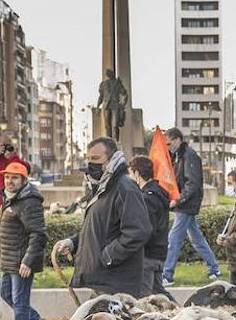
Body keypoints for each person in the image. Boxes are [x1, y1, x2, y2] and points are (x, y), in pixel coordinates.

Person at [53, 137, 150, 296]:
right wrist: (72, 243)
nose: (91, 163)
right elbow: (99, 230)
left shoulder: (125, 187)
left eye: (96, 159)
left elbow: (138, 231)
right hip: (103, 282)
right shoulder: (101, 188)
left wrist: (108, 256)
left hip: (116, 285)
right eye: (89, 159)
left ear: (111, 159)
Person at [0, 161, 45, 320]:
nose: (9, 181)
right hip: (8, 260)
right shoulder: (10, 199)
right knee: (6, 293)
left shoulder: (29, 202)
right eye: (7, 177)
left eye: (14, 178)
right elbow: (5, 228)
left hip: (21, 262)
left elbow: (39, 234)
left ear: (23, 180)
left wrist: (27, 262)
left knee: (19, 301)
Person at [162, 127, 220, 285]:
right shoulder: (182, 155)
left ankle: (167, 275)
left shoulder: (189, 156)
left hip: (186, 204)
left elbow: (192, 184)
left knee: (173, 238)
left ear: (177, 140)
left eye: (168, 144)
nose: (167, 147)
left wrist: (178, 200)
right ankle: (214, 269)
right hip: (186, 203)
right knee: (196, 239)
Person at [129, 155, 172, 296]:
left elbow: (146, 228)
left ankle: (183, 313)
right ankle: (180, 312)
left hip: (147, 255)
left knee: (144, 299)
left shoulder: (146, 197)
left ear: (136, 174)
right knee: (159, 293)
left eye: (130, 173)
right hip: (159, 252)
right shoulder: (159, 193)